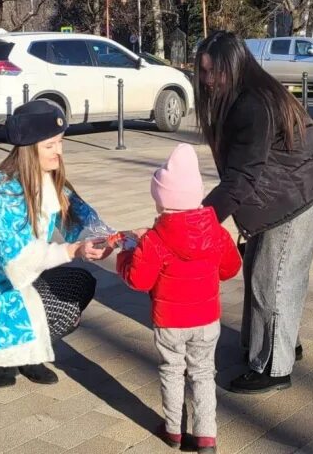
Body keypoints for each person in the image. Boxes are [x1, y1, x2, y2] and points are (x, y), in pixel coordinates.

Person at [195, 30, 313, 394]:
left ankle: (273, 368)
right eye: (205, 72)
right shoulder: (245, 95)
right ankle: (275, 344)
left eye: (217, 72)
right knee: (267, 271)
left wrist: (196, 223)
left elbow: (241, 177)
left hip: (296, 196)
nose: (210, 81)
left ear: (237, 66)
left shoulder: (252, 104)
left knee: (272, 279)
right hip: (289, 187)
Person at [0, 100, 105, 388]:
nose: (59, 151)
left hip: (21, 283)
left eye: (60, 142)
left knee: (80, 283)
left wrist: (126, 240)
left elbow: (86, 224)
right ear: (30, 147)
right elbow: (21, 259)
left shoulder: (53, 182)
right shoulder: (2, 191)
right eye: (51, 145)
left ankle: (26, 353)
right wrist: (72, 250)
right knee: (0, 376)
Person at [114, 144, 241, 454]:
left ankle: (173, 430)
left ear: (162, 202)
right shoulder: (216, 233)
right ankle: (206, 437)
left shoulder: (154, 240)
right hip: (207, 318)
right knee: (203, 373)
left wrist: (126, 253)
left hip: (170, 322)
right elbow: (231, 268)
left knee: (172, 371)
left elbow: (137, 279)